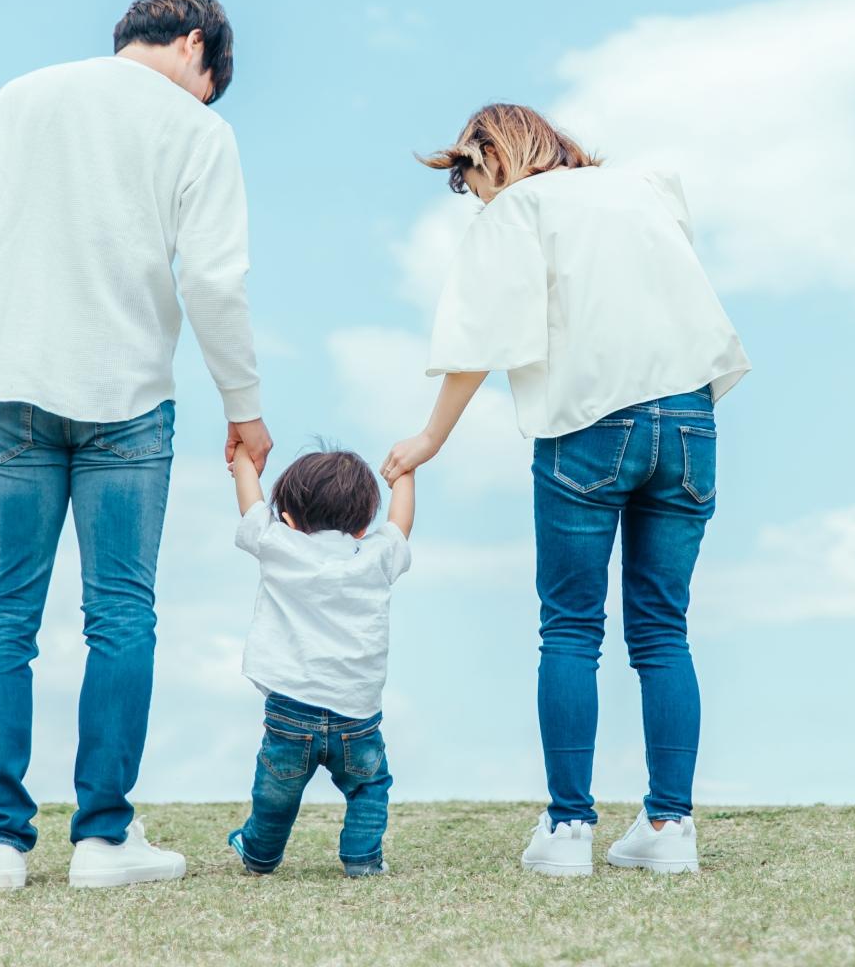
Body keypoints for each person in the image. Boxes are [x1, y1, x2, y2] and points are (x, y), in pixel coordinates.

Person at [0, 0, 274, 890]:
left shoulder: (18, 98)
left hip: (15, 393)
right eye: (211, 83)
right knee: (121, 615)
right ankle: (104, 841)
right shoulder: (199, 132)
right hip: (130, 402)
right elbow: (214, 283)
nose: (205, 99)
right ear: (196, 46)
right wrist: (244, 405)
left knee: (4, 612)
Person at [382, 104, 749, 877]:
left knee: (572, 629)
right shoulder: (645, 188)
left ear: (491, 153)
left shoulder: (519, 207)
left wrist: (429, 439)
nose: (475, 197)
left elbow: (481, 338)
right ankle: (670, 827)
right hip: (690, 420)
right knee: (663, 630)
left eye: (469, 181)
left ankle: (569, 830)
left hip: (591, 423)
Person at [225, 446, 413, 877]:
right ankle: (362, 860)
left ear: (288, 518)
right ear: (363, 526)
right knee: (368, 787)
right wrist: (406, 472)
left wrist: (245, 458)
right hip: (358, 713)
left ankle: (260, 854)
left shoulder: (278, 544)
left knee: (276, 793)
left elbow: (250, 505)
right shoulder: (377, 555)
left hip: (290, 708)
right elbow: (401, 525)